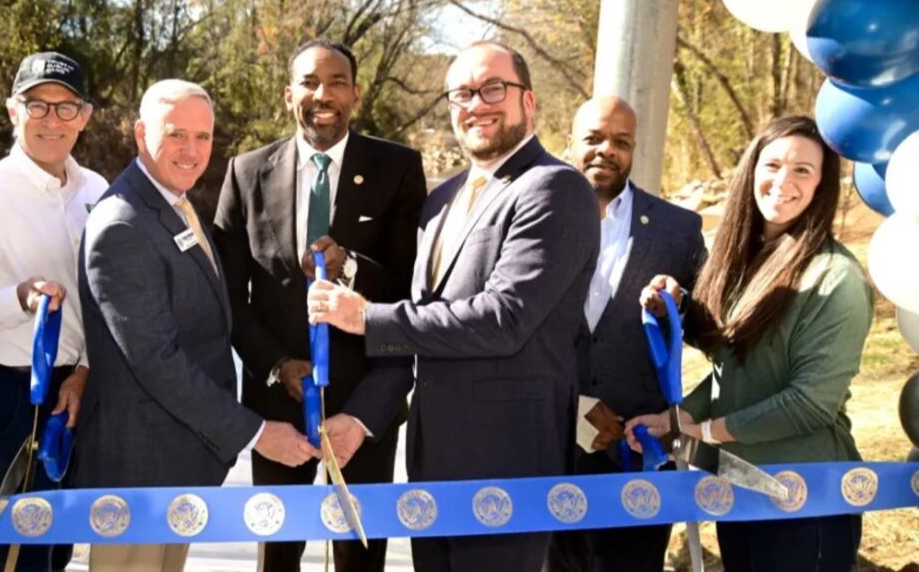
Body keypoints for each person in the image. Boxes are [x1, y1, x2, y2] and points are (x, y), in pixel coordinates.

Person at [307, 41, 599, 572]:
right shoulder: (441, 202)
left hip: (508, 465)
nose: (476, 103)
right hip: (431, 461)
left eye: (493, 88)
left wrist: (364, 316)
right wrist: (362, 419)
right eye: (462, 93)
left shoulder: (554, 188)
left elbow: (503, 319)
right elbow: (424, 327)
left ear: (528, 102)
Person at [77, 79, 317, 572]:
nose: (191, 151)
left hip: (176, 465)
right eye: (176, 135)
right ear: (142, 135)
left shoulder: (174, 202)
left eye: (203, 136)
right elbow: (155, 361)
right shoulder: (123, 225)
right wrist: (253, 433)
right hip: (139, 475)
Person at [213, 39, 425, 572]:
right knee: (277, 556)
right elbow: (228, 297)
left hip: (365, 403)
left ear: (355, 93)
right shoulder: (245, 172)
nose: (322, 94)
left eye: (335, 82)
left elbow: (409, 287)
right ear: (289, 95)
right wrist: (276, 366)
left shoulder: (400, 169)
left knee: (359, 555)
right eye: (309, 82)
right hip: (279, 405)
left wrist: (350, 265)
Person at [629, 115, 873, 572]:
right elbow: (736, 374)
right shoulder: (747, 264)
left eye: (803, 169)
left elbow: (810, 404)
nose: (784, 180)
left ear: (822, 185)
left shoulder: (835, 278)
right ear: (751, 171)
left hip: (806, 503)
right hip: (740, 488)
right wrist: (675, 419)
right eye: (773, 164)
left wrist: (700, 435)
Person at [0, 52, 107, 572]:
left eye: (65, 107)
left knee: (59, 546)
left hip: (80, 389)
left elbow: (103, 305)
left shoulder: (99, 191)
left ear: (85, 116)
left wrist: (83, 370)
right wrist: (16, 298)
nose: (51, 120)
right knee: (15, 554)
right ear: (13, 111)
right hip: (6, 394)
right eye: (38, 105)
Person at [546, 96, 706, 572]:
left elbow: (709, 330)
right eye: (594, 139)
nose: (606, 151)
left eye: (621, 142)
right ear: (570, 142)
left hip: (637, 448)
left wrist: (678, 305)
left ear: (634, 148)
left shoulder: (678, 229)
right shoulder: (534, 219)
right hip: (549, 442)